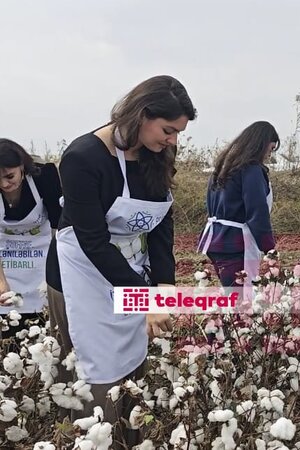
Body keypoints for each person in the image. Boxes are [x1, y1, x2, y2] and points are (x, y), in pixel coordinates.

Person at [45, 75, 195, 446]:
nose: (173, 140)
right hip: (81, 273)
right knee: (92, 372)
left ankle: (130, 439)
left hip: (131, 270)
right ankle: (90, 438)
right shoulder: (83, 158)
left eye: (178, 133)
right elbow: (93, 242)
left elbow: (161, 222)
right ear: (142, 115)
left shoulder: (157, 153)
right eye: (168, 130)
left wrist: (164, 287)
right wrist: (146, 299)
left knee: (131, 367)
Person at [198, 121, 279, 288]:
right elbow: (257, 211)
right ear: (261, 144)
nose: (270, 155)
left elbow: (210, 203)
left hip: (216, 238)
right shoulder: (251, 169)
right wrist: (269, 248)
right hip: (235, 243)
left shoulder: (224, 165)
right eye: (270, 149)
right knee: (242, 300)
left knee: (233, 295)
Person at [0, 138, 62, 344]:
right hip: (5, 263)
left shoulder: (44, 177)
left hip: (42, 259)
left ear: (22, 167)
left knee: (43, 328)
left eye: (10, 176)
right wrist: (1, 281)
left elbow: (61, 225)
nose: (4, 185)